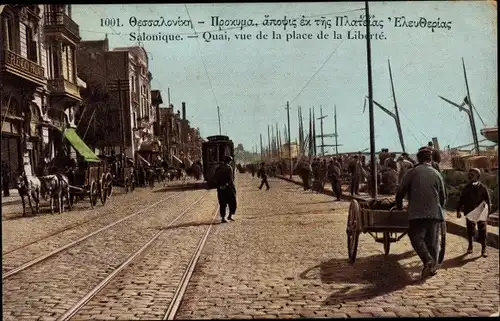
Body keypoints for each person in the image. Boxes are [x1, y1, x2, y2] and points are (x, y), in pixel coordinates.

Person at [395, 147, 446, 279]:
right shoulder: (437, 174)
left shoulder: (412, 172)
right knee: (433, 242)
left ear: (418, 158)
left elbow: (400, 191)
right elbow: (443, 197)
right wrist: (439, 207)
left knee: (416, 237)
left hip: (417, 213)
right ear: (430, 159)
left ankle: (428, 260)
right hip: (434, 213)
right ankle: (432, 267)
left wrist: (399, 206)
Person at [456, 168, 491, 257]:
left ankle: (484, 249)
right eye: (469, 174)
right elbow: (461, 200)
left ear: (478, 176)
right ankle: (470, 246)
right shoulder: (466, 188)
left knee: (482, 231)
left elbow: (488, 200)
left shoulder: (482, 188)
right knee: (470, 230)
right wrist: (458, 211)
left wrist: (488, 213)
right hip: (469, 212)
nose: (470, 176)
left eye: (473, 174)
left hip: (481, 212)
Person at [212, 156, 237, 223]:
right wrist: (225, 185)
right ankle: (230, 216)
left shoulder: (218, 168)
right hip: (229, 189)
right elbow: (231, 180)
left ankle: (223, 218)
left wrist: (219, 187)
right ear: (229, 161)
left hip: (221, 189)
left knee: (222, 203)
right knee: (232, 202)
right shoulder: (229, 168)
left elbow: (214, 179)